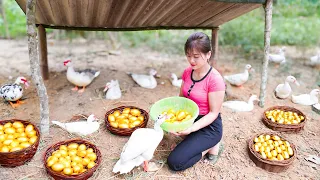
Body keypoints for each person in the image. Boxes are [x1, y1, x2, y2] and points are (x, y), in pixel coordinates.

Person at [167, 32, 226, 171]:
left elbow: (213, 113)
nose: (191, 60)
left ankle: (211, 146)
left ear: (208, 55)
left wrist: (191, 129)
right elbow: (181, 98)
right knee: (176, 137)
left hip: (208, 125)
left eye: (196, 56)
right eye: (188, 55)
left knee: (175, 162)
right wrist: (175, 121)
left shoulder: (215, 80)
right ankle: (195, 142)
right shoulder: (187, 72)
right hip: (190, 118)